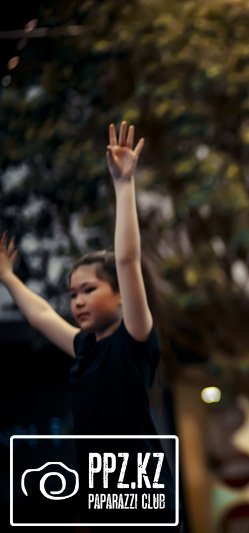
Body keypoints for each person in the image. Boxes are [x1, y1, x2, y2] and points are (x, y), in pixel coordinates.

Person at [1, 122, 178, 528]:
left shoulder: (133, 338)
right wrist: (8, 278)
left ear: (120, 295)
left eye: (88, 290)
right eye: (73, 293)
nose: (77, 301)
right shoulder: (84, 347)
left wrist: (124, 184)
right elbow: (42, 315)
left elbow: (127, 260)